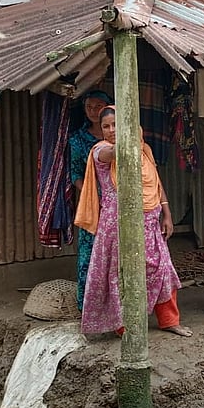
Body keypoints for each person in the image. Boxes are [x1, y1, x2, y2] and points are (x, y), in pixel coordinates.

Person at [74, 106, 191, 337]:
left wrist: (166, 214)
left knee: (162, 269)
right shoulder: (100, 151)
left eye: (116, 124)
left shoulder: (144, 150)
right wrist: (128, 134)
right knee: (122, 273)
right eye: (105, 126)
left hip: (149, 221)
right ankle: (124, 327)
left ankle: (169, 320)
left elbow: (155, 183)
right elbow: (117, 152)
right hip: (117, 224)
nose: (110, 130)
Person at [68, 89, 111, 311]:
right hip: (92, 203)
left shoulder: (116, 137)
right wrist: (92, 194)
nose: (93, 111)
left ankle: (114, 304)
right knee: (90, 252)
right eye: (89, 107)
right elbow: (74, 173)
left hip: (117, 203)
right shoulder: (77, 140)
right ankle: (87, 306)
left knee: (114, 253)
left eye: (98, 106)